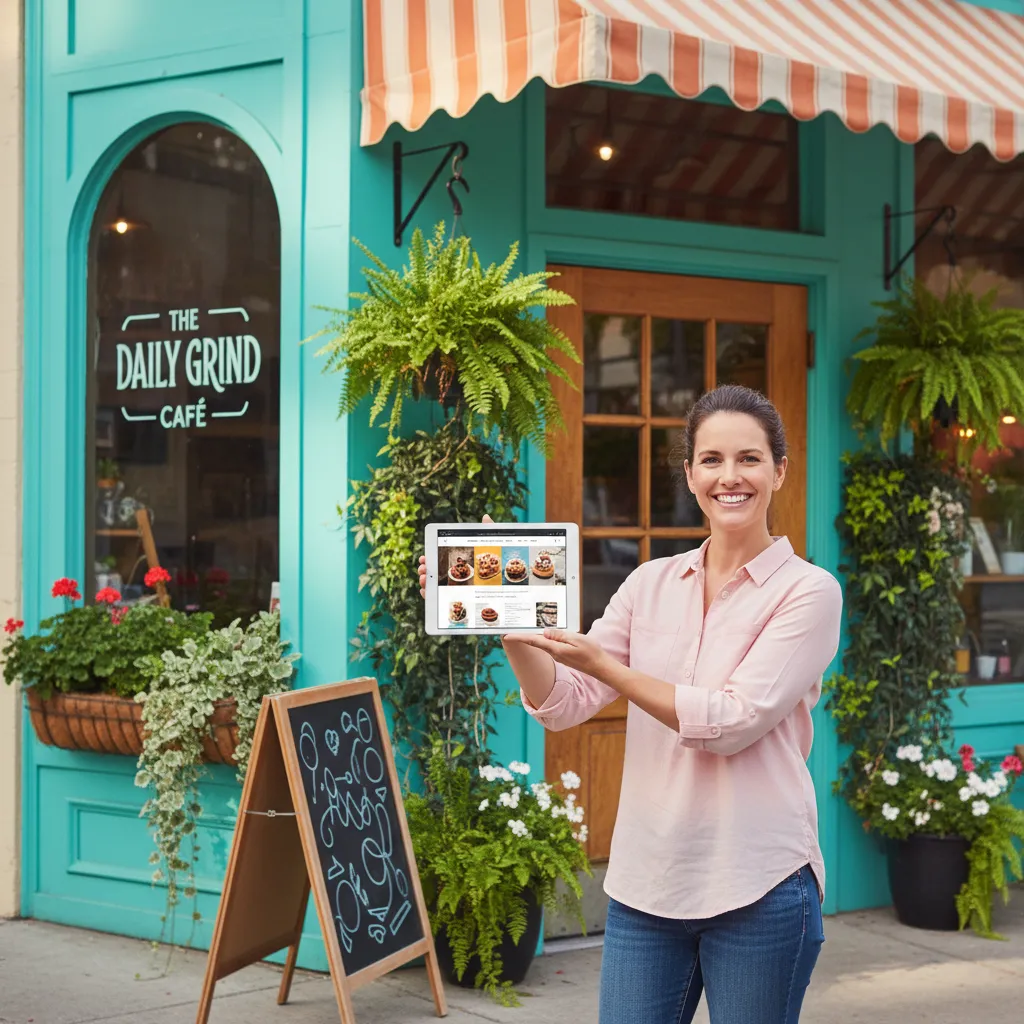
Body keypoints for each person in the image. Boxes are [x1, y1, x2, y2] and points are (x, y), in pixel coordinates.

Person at [417, 384, 842, 1024]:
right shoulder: (650, 583)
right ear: (692, 475)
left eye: (750, 459)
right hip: (649, 884)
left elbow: (731, 721)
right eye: (712, 460)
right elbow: (566, 700)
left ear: (779, 471)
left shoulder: (810, 593)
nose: (731, 476)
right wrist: (510, 627)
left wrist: (607, 664)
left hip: (760, 883)